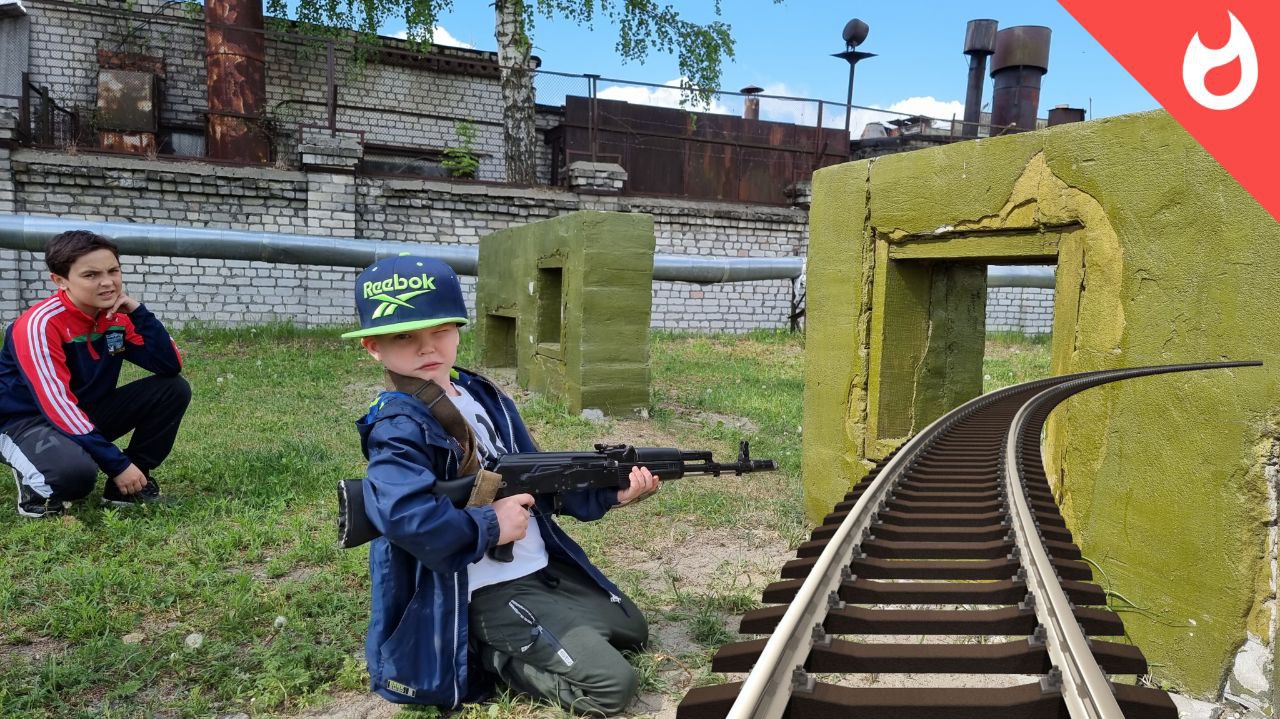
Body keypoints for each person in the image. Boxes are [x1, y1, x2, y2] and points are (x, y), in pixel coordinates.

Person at [346, 255, 659, 715]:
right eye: (405, 336)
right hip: (478, 586)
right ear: (373, 347)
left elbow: (539, 475)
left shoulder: (479, 394)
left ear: (458, 330)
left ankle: (536, 630)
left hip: (534, 566)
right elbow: (403, 515)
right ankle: (486, 656)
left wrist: (611, 492)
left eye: (440, 331)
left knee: (631, 630)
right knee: (612, 686)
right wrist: (490, 525)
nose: (427, 347)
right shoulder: (398, 426)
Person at [0, 230, 189, 518]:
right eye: (91, 275)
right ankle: (35, 487)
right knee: (74, 476)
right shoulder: (39, 325)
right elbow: (57, 404)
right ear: (60, 280)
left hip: (81, 411)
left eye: (113, 271)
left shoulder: (117, 317)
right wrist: (117, 463)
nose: (108, 282)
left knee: (173, 389)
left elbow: (169, 365)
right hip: (23, 423)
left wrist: (139, 313)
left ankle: (126, 488)